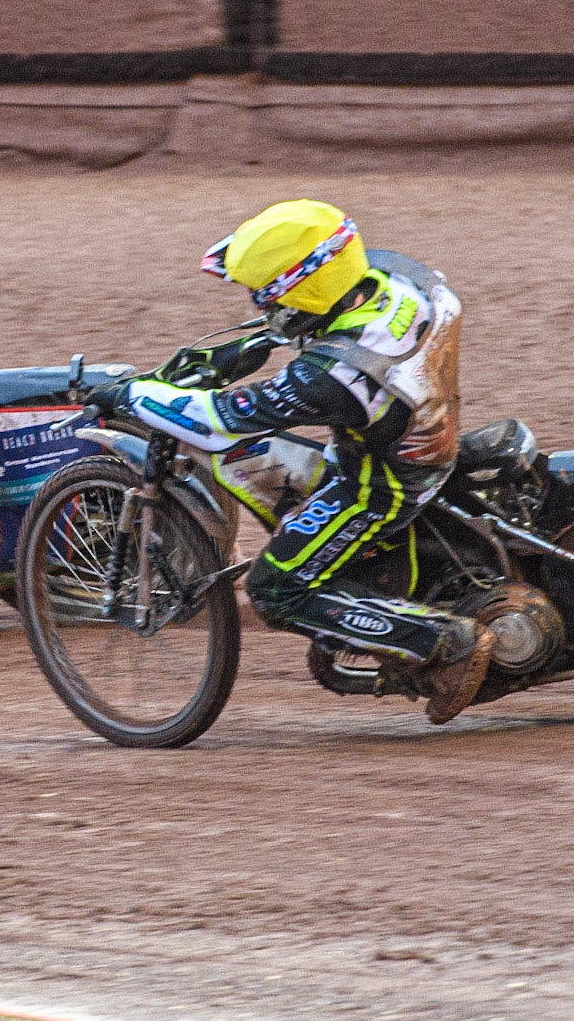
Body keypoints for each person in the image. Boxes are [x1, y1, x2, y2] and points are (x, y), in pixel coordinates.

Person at [89, 199, 496, 724]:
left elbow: (222, 420)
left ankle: (444, 642)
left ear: (302, 289)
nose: (258, 305)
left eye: (264, 295)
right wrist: (239, 351)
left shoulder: (335, 377)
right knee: (290, 485)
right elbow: (308, 326)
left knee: (273, 587)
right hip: (418, 427)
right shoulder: (398, 278)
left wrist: (132, 397)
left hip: (384, 482)